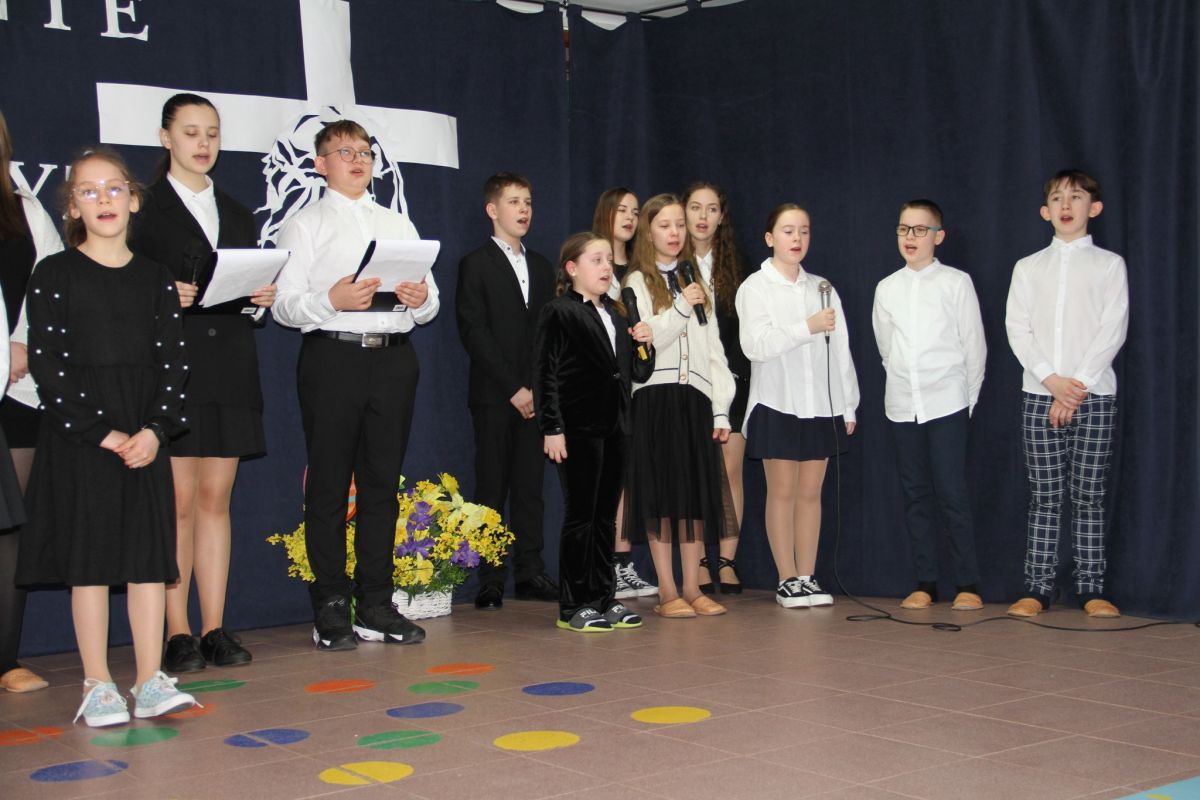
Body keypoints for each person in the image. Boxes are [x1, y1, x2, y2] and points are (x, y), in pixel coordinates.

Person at [15, 147, 197, 725]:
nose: (103, 200)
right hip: (83, 437)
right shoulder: (54, 274)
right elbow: (48, 364)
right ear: (72, 206)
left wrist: (155, 430)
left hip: (143, 435)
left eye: (114, 188)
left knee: (147, 561)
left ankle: (148, 679)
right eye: (88, 191)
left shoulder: (154, 279)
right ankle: (97, 684)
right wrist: (103, 433)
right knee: (90, 564)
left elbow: (174, 364)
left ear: (133, 199)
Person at [274, 119, 435, 650]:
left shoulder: (398, 222)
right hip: (333, 357)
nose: (358, 160)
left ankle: (376, 603)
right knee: (328, 485)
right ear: (320, 164)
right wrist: (331, 300)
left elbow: (429, 301)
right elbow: (284, 304)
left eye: (365, 151)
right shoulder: (305, 225)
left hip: (394, 359)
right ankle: (330, 605)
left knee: (381, 485)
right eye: (344, 152)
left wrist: (420, 300)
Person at [130, 93, 274, 673]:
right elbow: (118, 288)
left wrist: (260, 297)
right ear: (166, 137)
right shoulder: (142, 210)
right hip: (172, 370)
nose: (203, 143)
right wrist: (161, 296)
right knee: (179, 504)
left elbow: (243, 293)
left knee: (217, 500)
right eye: (190, 132)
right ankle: (178, 631)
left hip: (230, 366)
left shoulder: (237, 213)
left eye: (212, 132)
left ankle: (214, 626)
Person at [1005, 169, 1128, 619]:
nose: (1065, 205)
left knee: (1089, 494)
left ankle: (1091, 588)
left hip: (1095, 394)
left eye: (1075, 197)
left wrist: (1075, 387)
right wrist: (1051, 381)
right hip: (1039, 394)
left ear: (1094, 208)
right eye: (1057, 198)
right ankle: (1037, 588)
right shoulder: (1028, 267)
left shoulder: (1109, 265)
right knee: (1045, 495)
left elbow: (1113, 328)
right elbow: (1017, 329)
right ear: (1045, 211)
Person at [736, 204, 859, 608]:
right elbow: (755, 346)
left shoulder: (821, 287)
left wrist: (848, 404)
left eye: (804, 231)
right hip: (777, 401)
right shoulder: (756, 287)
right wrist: (806, 327)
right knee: (783, 491)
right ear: (769, 238)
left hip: (819, 403)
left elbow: (840, 350)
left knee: (810, 493)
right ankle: (786, 578)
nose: (797, 239)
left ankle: (807, 576)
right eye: (788, 231)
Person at [621, 194, 735, 619]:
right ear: (648, 232)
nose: (674, 233)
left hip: (695, 398)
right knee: (661, 497)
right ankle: (668, 590)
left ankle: (693, 586)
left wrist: (720, 408)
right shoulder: (637, 281)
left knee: (694, 496)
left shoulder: (695, 280)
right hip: (657, 397)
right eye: (665, 226)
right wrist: (683, 305)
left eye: (679, 225)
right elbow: (647, 335)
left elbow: (714, 349)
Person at [535, 232, 654, 631]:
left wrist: (645, 344)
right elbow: (545, 373)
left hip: (617, 427)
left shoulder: (618, 314)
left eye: (608, 261)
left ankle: (603, 597)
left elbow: (638, 372)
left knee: (605, 518)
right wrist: (552, 427)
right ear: (572, 268)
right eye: (596, 260)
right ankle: (574, 605)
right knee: (581, 516)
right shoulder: (559, 312)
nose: (606, 268)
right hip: (578, 429)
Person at [871, 200, 985, 611]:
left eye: (920, 230)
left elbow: (974, 346)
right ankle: (926, 582)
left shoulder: (956, 283)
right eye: (904, 229)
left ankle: (968, 583)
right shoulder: (887, 288)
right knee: (915, 494)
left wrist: (966, 400)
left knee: (952, 492)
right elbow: (887, 349)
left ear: (939, 236)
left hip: (947, 402)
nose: (911, 238)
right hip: (904, 404)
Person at [455, 172, 557, 611]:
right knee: (492, 486)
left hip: (536, 397)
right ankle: (491, 577)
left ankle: (530, 572)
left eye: (528, 202)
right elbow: (474, 332)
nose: (524, 210)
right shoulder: (475, 264)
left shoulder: (542, 266)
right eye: (514, 201)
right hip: (495, 395)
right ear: (492, 209)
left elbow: (548, 333)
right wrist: (513, 387)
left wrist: (537, 387)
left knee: (530, 488)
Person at [0, 110, 61, 693]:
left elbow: (51, 284)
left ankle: (4, 659)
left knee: (7, 529)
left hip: (15, 389)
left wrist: (19, 343)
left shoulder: (24, 209)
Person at [590, 187, 656, 599]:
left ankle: (623, 561)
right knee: (605, 479)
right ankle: (605, 564)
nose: (630, 217)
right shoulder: (592, 263)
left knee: (629, 478)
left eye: (635, 211)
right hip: (601, 388)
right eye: (622, 210)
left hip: (637, 385)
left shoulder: (640, 270)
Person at [684, 181, 748, 595]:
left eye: (711, 208)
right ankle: (696, 563)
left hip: (732, 380)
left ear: (722, 216)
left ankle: (725, 560)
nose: (703, 216)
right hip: (688, 381)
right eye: (695, 207)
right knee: (692, 473)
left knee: (729, 471)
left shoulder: (739, 266)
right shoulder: (668, 263)